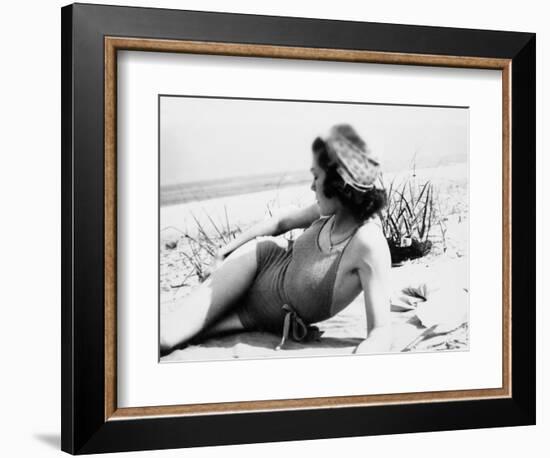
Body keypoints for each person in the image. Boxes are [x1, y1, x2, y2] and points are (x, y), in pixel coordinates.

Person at [160, 124, 392, 355]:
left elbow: (380, 332)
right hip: (255, 265)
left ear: (337, 182)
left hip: (252, 317)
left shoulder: (368, 243)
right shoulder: (327, 212)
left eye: (316, 176)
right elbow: (280, 221)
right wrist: (224, 251)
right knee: (165, 337)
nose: (312, 186)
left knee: (172, 339)